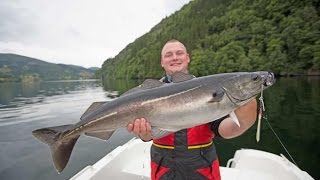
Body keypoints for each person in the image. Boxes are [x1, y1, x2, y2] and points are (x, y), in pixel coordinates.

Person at [127, 39, 257, 180]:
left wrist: (246, 118)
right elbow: (150, 134)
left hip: (202, 171)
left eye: (179, 53)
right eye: (168, 55)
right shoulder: (146, 96)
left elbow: (225, 129)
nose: (175, 57)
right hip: (164, 171)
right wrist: (144, 135)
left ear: (188, 57)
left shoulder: (210, 89)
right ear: (162, 62)